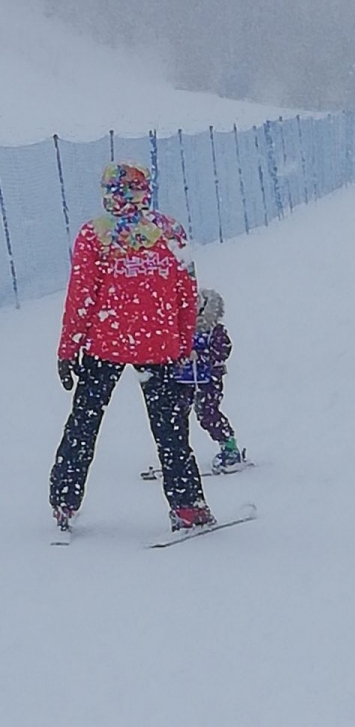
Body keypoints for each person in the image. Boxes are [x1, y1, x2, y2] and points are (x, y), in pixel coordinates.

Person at [50, 161, 215, 534]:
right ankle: (188, 505)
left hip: (104, 345)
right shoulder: (170, 232)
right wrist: (184, 340)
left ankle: (64, 498)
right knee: (171, 431)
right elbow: (186, 292)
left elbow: (81, 298)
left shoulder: (95, 235)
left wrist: (67, 349)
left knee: (84, 423)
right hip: (158, 346)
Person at [174, 287, 246, 474]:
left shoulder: (214, 329)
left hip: (208, 378)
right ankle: (177, 454)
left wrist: (205, 356)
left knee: (207, 412)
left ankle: (229, 447)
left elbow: (223, 350)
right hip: (184, 378)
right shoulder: (179, 327)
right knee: (177, 414)